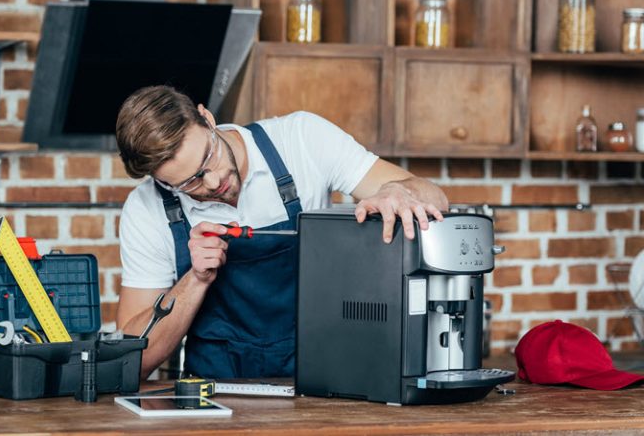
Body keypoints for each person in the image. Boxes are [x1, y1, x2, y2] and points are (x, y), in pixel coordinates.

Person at [115, 85, 448, 380]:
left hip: (321, 381)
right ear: (162, 182)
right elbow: (133, 360)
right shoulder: (147, 209)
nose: (214, 182)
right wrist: (195, 280)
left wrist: (397, 191)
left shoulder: (301, 140)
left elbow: (436, 198)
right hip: (216, 397)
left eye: (208, 157)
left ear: (207, 119)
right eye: (190, 182)